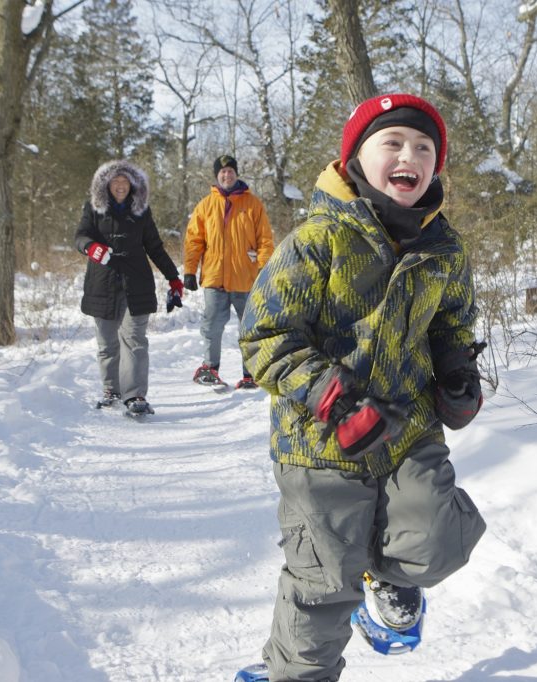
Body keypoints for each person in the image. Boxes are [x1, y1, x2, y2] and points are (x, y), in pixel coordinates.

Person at [238, 93, 487, 681]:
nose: (411, 155)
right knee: (325, 578)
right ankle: (292, 674)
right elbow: (264, 338)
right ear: (354, 159)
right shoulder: (316, 243)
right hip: (322, 442)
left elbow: (453, 319)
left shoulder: (443, 248)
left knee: (435, 539)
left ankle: (390, 574)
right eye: (393, 143)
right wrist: (333, 396)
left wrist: (456, 368)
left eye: (424, 147)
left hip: (408, 431)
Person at [75, 159, 184, 416]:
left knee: (134, 340)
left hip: (136, 283)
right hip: (102, 283)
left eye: (125, 182)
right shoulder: (93, 209)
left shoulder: (141, 212)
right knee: (107, 343)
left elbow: (155, 247)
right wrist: (91, 247)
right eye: (116, 182)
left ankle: (135, 395)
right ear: (106, 185)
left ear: (133, 185)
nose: (121, 186)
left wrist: (173, 278)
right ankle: (111, 390)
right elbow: (80, 236)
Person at [183, 154, 274, 389]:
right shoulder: (205, 205)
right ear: (217, 175)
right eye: (222, 171)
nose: (227, 175)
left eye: (230, 171)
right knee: (212, 325)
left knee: (250, 327)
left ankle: (250, 374)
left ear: (236, 174)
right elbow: (194, 241)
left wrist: (265, 269)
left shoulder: (252, 204)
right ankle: (210, 369)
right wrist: (190, 271)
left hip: (246, 278)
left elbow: (265, 239)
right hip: (214, 277)